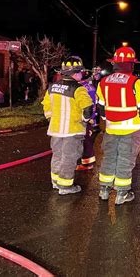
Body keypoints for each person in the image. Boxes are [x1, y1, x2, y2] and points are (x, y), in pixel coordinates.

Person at [96, 45, 140, 205]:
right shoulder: (135, 82)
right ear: (131, 65)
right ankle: (122, 194)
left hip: (111, 128)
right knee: (125, 160)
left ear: (114, 64)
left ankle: (104, 190)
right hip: (130, 129)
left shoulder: (103, 82)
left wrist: (106, 121)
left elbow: (100, 106)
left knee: (109, 157)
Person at [41, 56, 94, 195]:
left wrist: (51, 119)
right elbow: (88, 108)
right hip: (72, 130)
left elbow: (46, 106)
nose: (82, 74)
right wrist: (85, 120)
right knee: (69, 158)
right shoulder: (78, 89)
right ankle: (65, 186)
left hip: (55, 130)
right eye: (80, 72)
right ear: (75, 73)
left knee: (57, 156)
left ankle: (56, 182)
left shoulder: (52, 87)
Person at [76, 72, 99, 171]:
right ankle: (87, 162)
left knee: (85, 141)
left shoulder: (80, 88)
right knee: (87, 140)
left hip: (83, 118)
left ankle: (87, 164)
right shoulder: (91, 87)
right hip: (91, 118)